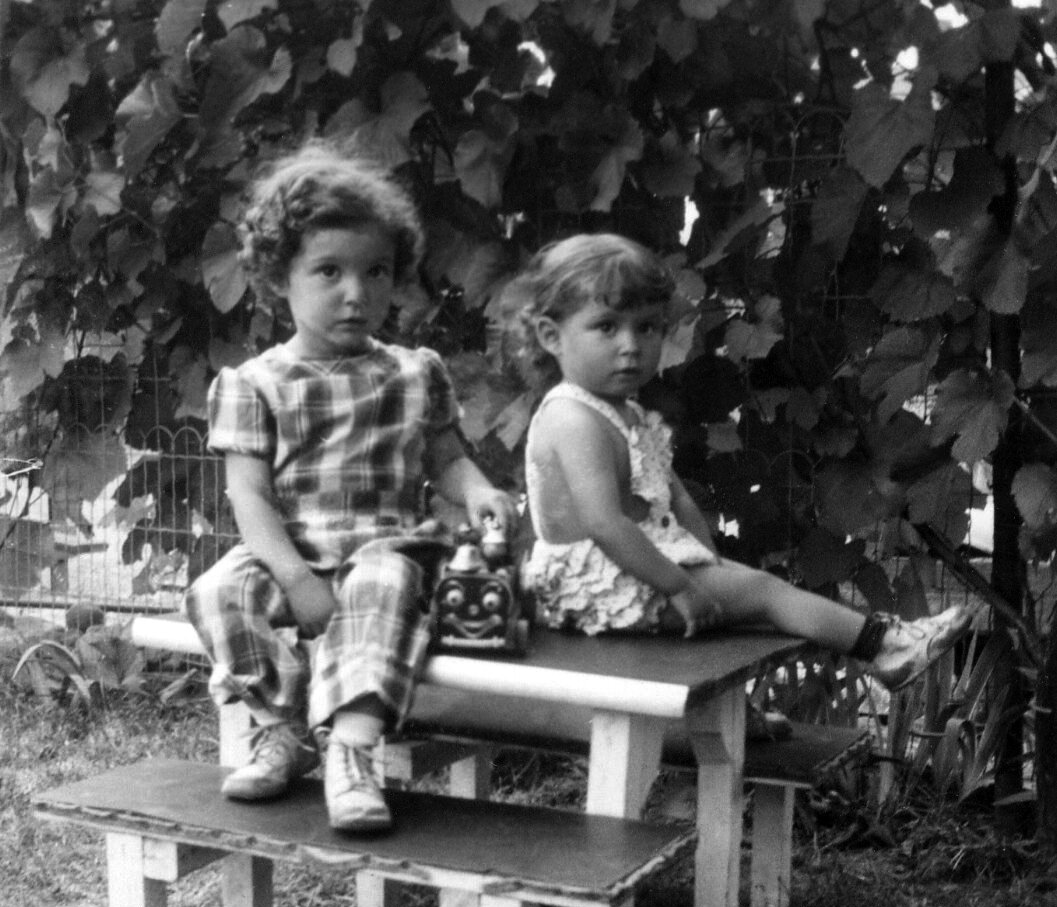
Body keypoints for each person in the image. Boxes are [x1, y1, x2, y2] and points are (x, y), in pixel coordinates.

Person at [186, 143, 514, 832]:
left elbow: (445, 456)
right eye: (328, 271)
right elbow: (251, 498)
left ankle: (353, 750)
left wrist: (478, 489)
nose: (355, 292)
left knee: (380, 585)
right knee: (219, 590)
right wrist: (294, 576)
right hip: (292, 544)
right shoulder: (255, 385)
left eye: (376, 272)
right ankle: (281, 726)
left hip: (385, 543)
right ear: (280, 278)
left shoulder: (411, 371)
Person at [504, 232, 970, 687]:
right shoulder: (572, 418)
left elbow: (679, 498)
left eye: (646, 326)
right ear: (551, 336)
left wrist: (710, 565)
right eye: (606, 327)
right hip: (597, 587)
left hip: (633, 567)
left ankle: (732, 719)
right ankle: (885, 647)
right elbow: (605, 524)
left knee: (742, 594)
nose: (631, 345)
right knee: (767, 595)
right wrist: (682, 586)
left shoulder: (622, 411)